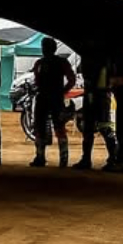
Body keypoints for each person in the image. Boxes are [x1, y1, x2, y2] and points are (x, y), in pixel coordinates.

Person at [29, 37, 76, 168]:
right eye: (44, 47)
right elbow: (71, 79)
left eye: (46, 47)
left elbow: (71, 79)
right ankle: (57, 159)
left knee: (52, 127)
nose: (44, 50)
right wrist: (62, 91)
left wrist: (62, 91)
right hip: (51, 98)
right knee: (50, 127)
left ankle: (43, 158)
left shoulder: (42, 63)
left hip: (49, 98)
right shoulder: (54, 62)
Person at [74, 42, 118, 170]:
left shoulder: (100, 59)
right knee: (91, 128)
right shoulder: (104, 58)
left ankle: (112, 159)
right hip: (97, 94)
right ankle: (88, 159)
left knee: (103, 127)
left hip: (99, 95)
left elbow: (98, 79)